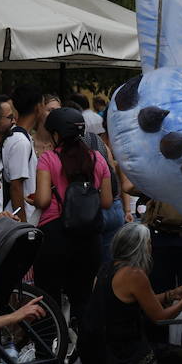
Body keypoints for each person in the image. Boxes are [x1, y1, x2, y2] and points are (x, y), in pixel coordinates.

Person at [80, 222, 182, 364]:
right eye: (148, 243)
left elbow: (143, 300)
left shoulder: (108, 267)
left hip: (94, 349)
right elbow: (160, 317)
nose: (151, 247)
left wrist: (172, 294)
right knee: (176, 355)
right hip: (117, 353)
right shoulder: (134, 274)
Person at [30, 107, 113, 336]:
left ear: (56, 134)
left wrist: (35, 198)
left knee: (49, 297)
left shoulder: (48, 159)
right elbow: (106, 201)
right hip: (89, 236)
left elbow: (43, 200)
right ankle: (89, 360)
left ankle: (52, 359)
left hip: (55, 235)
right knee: (84, 297)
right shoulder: (98, 158)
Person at [5, 85, 44, 223]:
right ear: (38, 107)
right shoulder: (20, 141)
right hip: (23, 217)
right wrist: (22, 225)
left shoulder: (19, 136)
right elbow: (16, 186)